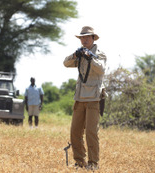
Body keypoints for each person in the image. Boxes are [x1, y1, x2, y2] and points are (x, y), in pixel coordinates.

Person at [63, 26, 107, 170]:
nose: (84, 40)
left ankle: (93, 163)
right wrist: (76, 55)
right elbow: (66, 63)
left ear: (93, 38)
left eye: (87, 37)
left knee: (91, 132)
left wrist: (91, 58)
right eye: (82, 37)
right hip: (80, 97)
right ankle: (80, 162)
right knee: (75, 132)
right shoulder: (80, 54)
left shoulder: (100, 54)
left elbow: (101, 70)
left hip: (94, 98)